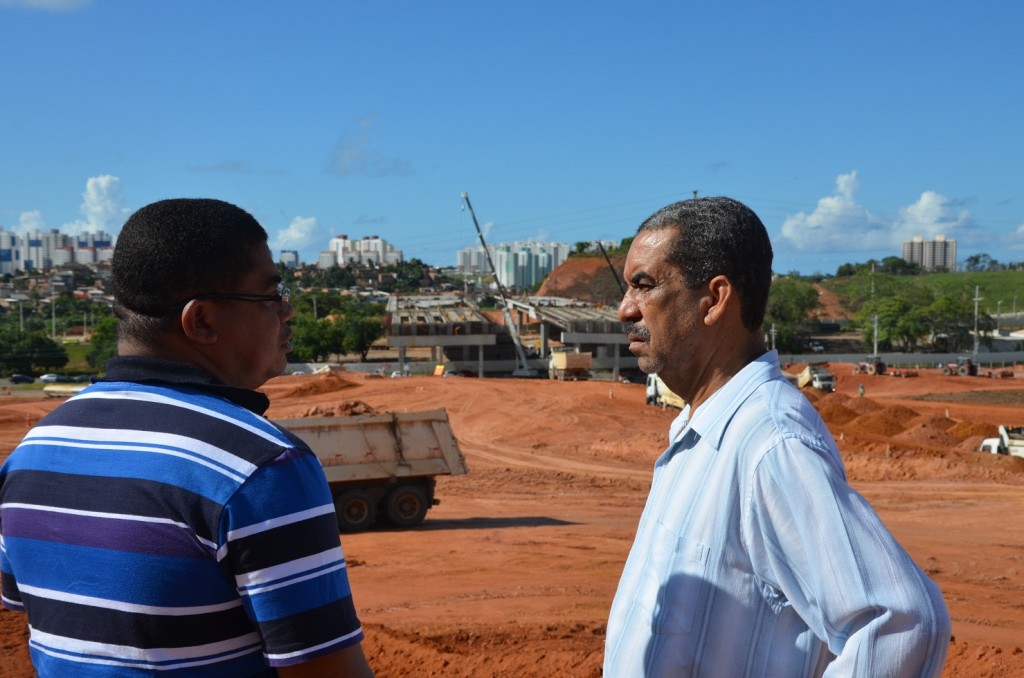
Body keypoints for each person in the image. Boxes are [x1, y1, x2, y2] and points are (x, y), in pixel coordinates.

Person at [0, 199, 373, 677]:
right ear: (200, 321)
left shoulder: (30, 455)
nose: (287, 310)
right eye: (270, 295)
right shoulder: (262, 467)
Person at [605, 197, 950, 676]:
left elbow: (900, 623)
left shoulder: (769, 442)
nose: (625, 310)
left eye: (644, 286)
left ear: (715, 298)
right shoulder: (704, 431)